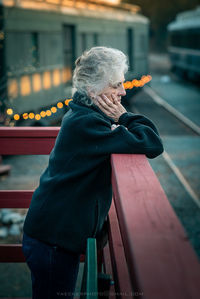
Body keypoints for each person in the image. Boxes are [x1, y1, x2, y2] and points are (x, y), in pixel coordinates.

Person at [22, 46, 164, 299]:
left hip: (52, 235)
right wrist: (124, 116)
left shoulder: (85, 115)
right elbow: (152, 143)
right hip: (52, 240)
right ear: (92, 90)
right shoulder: (89, 123)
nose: (123, 91)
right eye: (116, 85)